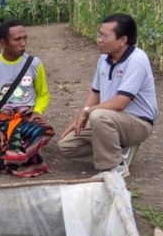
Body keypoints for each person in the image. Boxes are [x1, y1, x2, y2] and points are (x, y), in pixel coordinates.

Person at [58, 13, 157, 177]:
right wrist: (79, 118)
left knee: (98, 116)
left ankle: (114, 168)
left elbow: (120, 103)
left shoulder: (137, 60)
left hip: (137, 123)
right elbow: (95, 93)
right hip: (110, 120)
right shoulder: (104, 59)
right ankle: (120, 153)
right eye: (99, 34)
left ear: (123, 40)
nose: (99, 39)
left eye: (104, 36)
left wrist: (87, 112)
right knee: (66, 145)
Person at [0, 19, 54, 177]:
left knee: (44, 130)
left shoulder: (34, 64)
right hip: (3, 121)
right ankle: (23, 157)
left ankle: (15, 156)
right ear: (3, 43)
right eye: (17, 39)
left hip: (27, 118)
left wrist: (38, 112)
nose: (23, 43)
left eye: (25, 38)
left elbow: (43, 93)